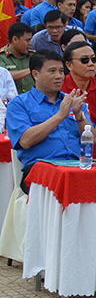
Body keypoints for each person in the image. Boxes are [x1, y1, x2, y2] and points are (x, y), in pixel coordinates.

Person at [6, 49, 89, 193]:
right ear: (35, 74)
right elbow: (25, 140)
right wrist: (59, 116)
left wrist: (78, 115)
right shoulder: (19, 103)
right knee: (69, 187)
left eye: (61, 71)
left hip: (76, 167)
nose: (59, 76)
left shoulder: (72, 101)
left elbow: (91, 136)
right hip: (40, 171)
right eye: (52, 71)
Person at [60, 41, 96, 128]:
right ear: (69, 65)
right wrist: (94, 129)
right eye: (84, 60)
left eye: (93, 59)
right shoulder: (59, 88)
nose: (91, 64)